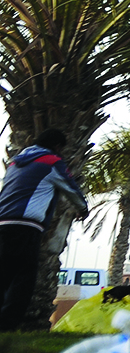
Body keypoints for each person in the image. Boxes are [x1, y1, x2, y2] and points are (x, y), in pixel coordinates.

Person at [0, 128, 88, 331]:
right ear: (57, 146)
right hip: (26, 226)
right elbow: (71, 188)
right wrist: (82, 209)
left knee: (3, 274)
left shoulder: (15, 162)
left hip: (3, 222)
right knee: (24, 276)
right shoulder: (51, 161)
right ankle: (7, 326)